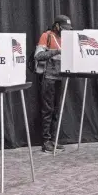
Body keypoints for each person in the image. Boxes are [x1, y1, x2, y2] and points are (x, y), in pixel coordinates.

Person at [34, 15, 73, 153]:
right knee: (47, 110)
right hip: (48, 77)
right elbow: (38, 56)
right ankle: (46, 141)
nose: (65, 31)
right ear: (56, 26)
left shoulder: (66, 39)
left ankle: (54, 140)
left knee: (57, 110)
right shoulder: (47, 36)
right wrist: (56, 51)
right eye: (63, 28)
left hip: (61, 78)